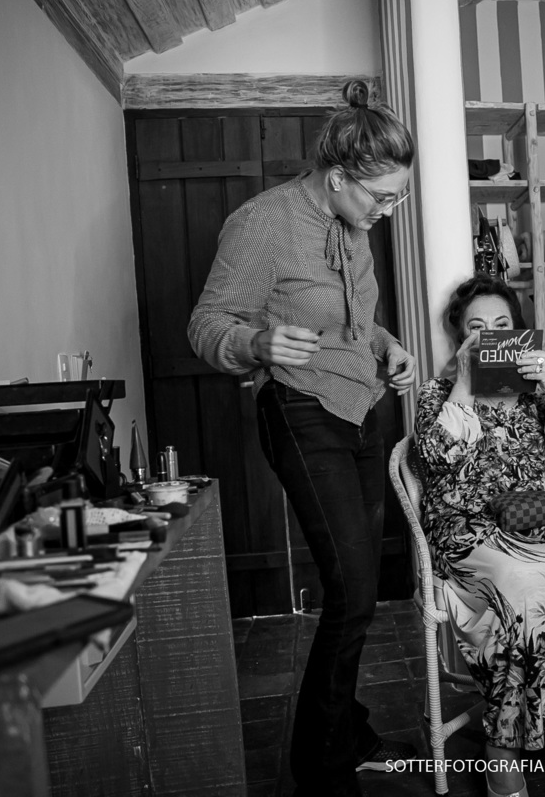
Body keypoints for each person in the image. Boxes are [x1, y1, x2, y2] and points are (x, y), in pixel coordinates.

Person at [187, 80, 418, 797]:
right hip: (300, 409)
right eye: (381, 198)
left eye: (398, 198)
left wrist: (386, 345)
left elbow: (351, 315)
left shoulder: (354, 226)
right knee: (349, 590)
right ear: (338, 175)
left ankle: (347, 729)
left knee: (363, 584)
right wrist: (256, 341)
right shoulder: (260, 223)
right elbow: (205, 325)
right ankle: (321, 766)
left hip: (363, 410)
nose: (388, 212)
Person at [414, 275, 545, 797]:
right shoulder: (438, 393)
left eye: (503, 326)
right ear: (459, 338)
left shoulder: (534, 391)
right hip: (471, 527)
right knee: (521, 586)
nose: (490, 336)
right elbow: (434, 459)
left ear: (520, 333)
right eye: (477, 329)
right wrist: (464, 382)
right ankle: (504, 748)